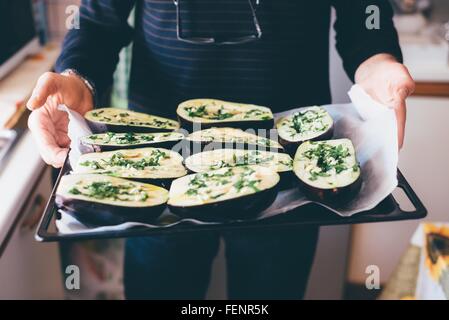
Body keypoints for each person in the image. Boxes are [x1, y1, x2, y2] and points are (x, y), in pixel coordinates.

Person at [27, 0, 415, 299]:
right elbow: (96, 22)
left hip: (289, 170)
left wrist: (377, 62)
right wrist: (76, 74)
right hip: (158, 168)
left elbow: (365, 14)